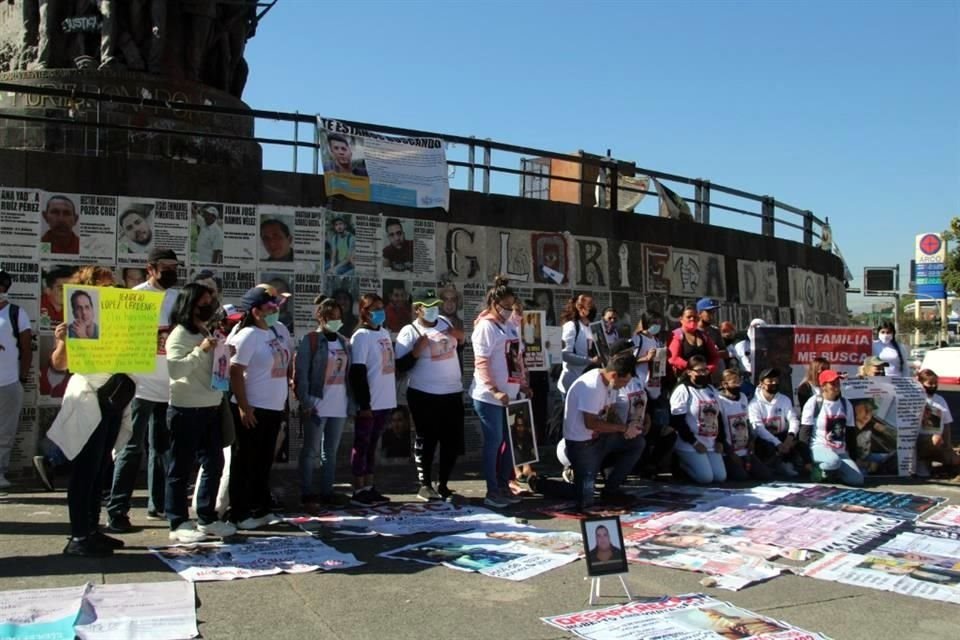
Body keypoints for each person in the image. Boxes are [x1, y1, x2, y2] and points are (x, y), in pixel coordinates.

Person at [45, 268, 134, 556]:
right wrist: (62, 341)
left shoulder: (117, 322)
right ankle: (79, 536)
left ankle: (92, 529)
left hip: (112, 398)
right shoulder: (74, 324)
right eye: (101, 288)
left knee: (100, 469)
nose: (107, 292)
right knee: (85, 470)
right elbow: (59, 365)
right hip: (87, 398)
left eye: (111, 288)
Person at [106, 248, 180, 533]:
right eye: (166, 267)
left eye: (175, 266)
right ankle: (117, 510)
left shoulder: (177, 298)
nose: (172, 271)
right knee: (131, 448)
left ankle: (157, 503)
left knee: (162, 448)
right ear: (151, 268)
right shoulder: (133, 297)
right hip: (139, 386)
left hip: (168, 386)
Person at [164, 283, 235, 542]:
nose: (208, 307)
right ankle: (178, 521)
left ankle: (206, 517)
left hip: (211, 405)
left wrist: (224, 353)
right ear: (190, 305)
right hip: (186, 408)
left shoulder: (206, 329)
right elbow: (175, 370)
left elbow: (212, 364)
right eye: (203, 303)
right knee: (180, 467)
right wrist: (201, 350)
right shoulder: (179, 335)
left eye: (210, 302)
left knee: (215, 462)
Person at [228, 284, 293, 529]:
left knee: (264, 461)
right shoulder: (247, 335)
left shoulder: (274, 333)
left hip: (273, 407)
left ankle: (259, 507)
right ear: (256, 311)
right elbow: (235, 371)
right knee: (245, 461)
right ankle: (240, 512)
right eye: (271, 306)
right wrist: (244, 407)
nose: (276, 309)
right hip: (253, 407)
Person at [395, 289, 465, 502]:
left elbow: (458, 347)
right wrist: (417, 350)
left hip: (452, 391)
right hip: (424, 393)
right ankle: (424, 485)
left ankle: (443, 484)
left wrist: (460, 338)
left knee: (451, 441)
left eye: (436, 305)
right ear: (418, 310)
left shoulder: (444, 322)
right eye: (428, 307)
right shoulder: (409, 331)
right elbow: (400, 365)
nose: (434, 310)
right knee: (428, 438)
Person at [469, 276, 530, 509]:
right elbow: (481, 363)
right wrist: (494, 390)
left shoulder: (507, 325)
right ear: (495, 304)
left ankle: (504, 485)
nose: (509, 310)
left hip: (510, 394)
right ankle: (492, 490)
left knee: (508, 442)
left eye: (511, 305)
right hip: (490, 397)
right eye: (506, 306)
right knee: (494, 442)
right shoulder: (486, 327)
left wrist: (522, 384)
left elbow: (515, 358)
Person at [562, 349, 645, 509]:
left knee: (637, 442)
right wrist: (622, 428)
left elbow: (611, 411)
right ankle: (542, 484)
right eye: (623, 382)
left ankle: (611, 489)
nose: (624, 386)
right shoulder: (592, 386)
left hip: (601, 437)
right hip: (582, 443)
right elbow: (591, 423)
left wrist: (628, 430)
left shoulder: (611, 384)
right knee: (584, 496)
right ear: (614, 375)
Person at [294, 297, 352, 513]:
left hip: (339, 403)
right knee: (310, 451)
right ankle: (306, 492)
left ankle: (327, 491)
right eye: (330, 317)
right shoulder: (311, 340)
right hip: (317, 404)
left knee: (331, 451)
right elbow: (302, 373)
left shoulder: (344, 342)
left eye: (338, 317)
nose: (335, 321)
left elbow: (348, 374)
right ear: (320, 317)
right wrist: (307, 401)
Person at [348, 293, 397, 506]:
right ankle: (358, 489)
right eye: (374, 309)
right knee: (362, 444)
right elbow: (357, 373)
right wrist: (364, 404)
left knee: (373, 445)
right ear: (364, 312)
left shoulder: (384, 332)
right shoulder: (361, 336)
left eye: (381, 307)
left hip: (385, 399)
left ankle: (369, 485)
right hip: (370, 402)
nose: (379, 312)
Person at [670, 355, 726, 484]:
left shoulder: (711, 389)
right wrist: (693, 442)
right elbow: (677, 421)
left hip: (710, 441)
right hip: (690, 442)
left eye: (705, 370)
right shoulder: (683, 390)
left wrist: (720, 440)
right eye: (699, 371)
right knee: (705, 478)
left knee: (720, 476)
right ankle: (681, 465)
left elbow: (719, 416)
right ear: (689, 372)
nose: (703, 373)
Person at [801, 369, 863, 486]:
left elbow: (850, 433)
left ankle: (831, 473)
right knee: (833, 460)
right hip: (818, 448)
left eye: (838, 382)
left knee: (857, 479)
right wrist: (806, 461)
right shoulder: (814, 402)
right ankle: (817, 470)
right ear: (823, 386)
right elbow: (804, 432)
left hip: (839, 451)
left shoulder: (846, 404)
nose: (836, 386)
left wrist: (854, 457)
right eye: (832, 383)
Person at [0, 270, 32, 489]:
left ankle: (0, 472)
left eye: (2, 287)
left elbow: (26, 348)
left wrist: (21, 377)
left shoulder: (16, 313)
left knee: (5, 432)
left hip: (9, 382)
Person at [717, 369, 771, 481]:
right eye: (734, 382)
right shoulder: (719, 400)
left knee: (764, 474)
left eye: (739, 381)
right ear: (724, 384)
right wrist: (730, 453)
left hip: (744, 447)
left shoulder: (743, 397)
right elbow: (719, 429)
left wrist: (751, 440)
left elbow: (746, 421)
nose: (738, 385)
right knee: (741, 477)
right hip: (729, 450)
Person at [749, 368, 803, 477]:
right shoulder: (753, 404)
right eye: (770, 381)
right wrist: (777, 443)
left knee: (799, 443)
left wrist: (790, 437)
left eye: (776, 380)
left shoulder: (784, 399)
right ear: (762, 384)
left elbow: (793, 420)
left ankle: (789, 463)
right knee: (768, 446)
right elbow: (758, 429)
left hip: (782, 436)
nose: (774, 383)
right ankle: (776, 465)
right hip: (763, 440)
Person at [915, 369, 959, 478]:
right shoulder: (914, 398)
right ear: (921, 383)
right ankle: (922, 460)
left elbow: (947, 424)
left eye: (935, 383)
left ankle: (938, 466)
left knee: (955, 460)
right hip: (920, 440)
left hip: (939, 441)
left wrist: (948, 445)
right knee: (936, 439)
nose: (933, 386)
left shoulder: (940, 400)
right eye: (930, 383)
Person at [558, 294, 598, 398]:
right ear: (580, 308)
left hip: (588, 382)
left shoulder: (591, 327)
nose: (593, 308)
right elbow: (565, 355)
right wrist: (590, 360)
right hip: (572, 383)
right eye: (590, 305)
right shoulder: (571, 326)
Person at [668, 305, 722, 379]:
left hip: (704, 377)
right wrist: (692, 369)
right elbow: (673, 358)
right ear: (681, 319)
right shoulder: (676, 335)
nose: (692, 319)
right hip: (684, 378)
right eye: (689, 317)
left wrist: (708, 369)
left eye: (695, 317)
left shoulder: (703, 336)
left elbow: (715, 356)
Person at [696, 298, 725, 375]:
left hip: (714, 372)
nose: (712, 315)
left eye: (713, 312)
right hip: (698, 371)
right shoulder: (692, 331)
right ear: (699, 314)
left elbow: (725, 352)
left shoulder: (715, 331)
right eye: (709, 312)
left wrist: (714, 353)